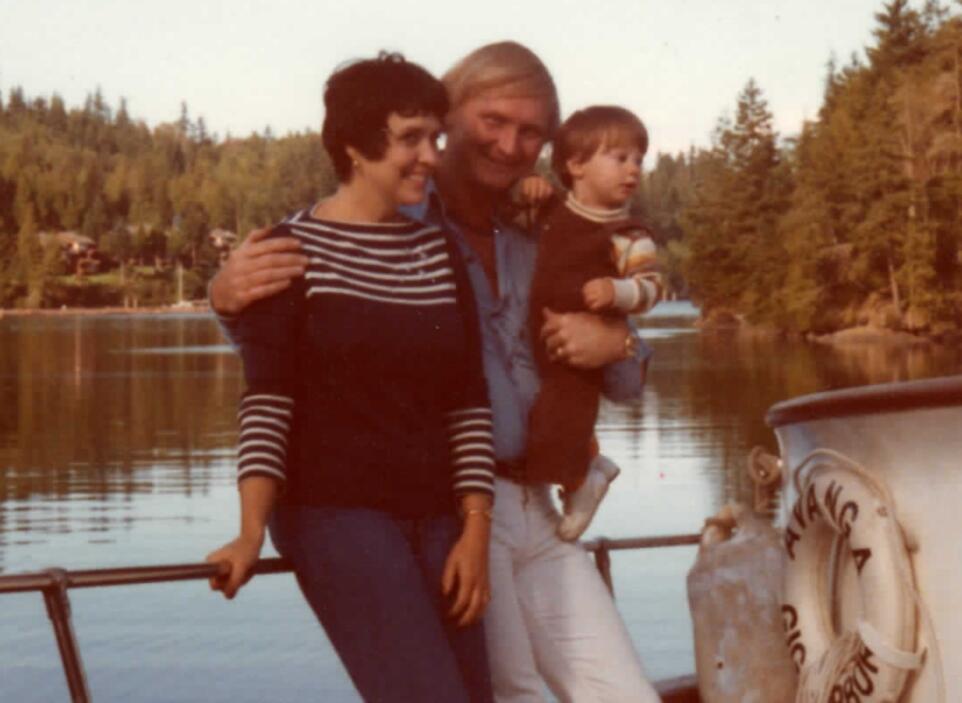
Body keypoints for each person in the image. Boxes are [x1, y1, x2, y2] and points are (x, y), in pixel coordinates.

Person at [210, 42, 661, 703]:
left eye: (531, 130)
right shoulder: (396, 224)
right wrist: (224, 299)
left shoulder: (549, 231)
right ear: (451, 120)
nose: (511, 145)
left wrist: (616, 343)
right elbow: (283, 365)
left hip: (532, 504)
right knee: (501, 693)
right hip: (448, 499)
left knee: (624, 693)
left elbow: (621, 382)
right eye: (493, 121)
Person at [205, 53, 495, 703]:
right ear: (356, 148)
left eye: (435, 138)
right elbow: (267, 402)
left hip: (440, 513)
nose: (430, 156)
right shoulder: (288, 252)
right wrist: (251, 528)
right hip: (334, 511)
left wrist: (476, 528)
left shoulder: (438, 250)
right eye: (410, 139)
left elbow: (467, 400)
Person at [523, 105, 664, 542]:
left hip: (586, 346)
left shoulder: (629, 235)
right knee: (538, 413)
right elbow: (514, 208)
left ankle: (583, 482)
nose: (632, 170)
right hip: (540, 334)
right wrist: (522, 187)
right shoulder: (551, 209)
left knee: (563, 416)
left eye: (638, 160)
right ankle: (587, 467)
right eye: (619, 158)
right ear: (576, 165)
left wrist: (616, 290)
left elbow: (653, 287)